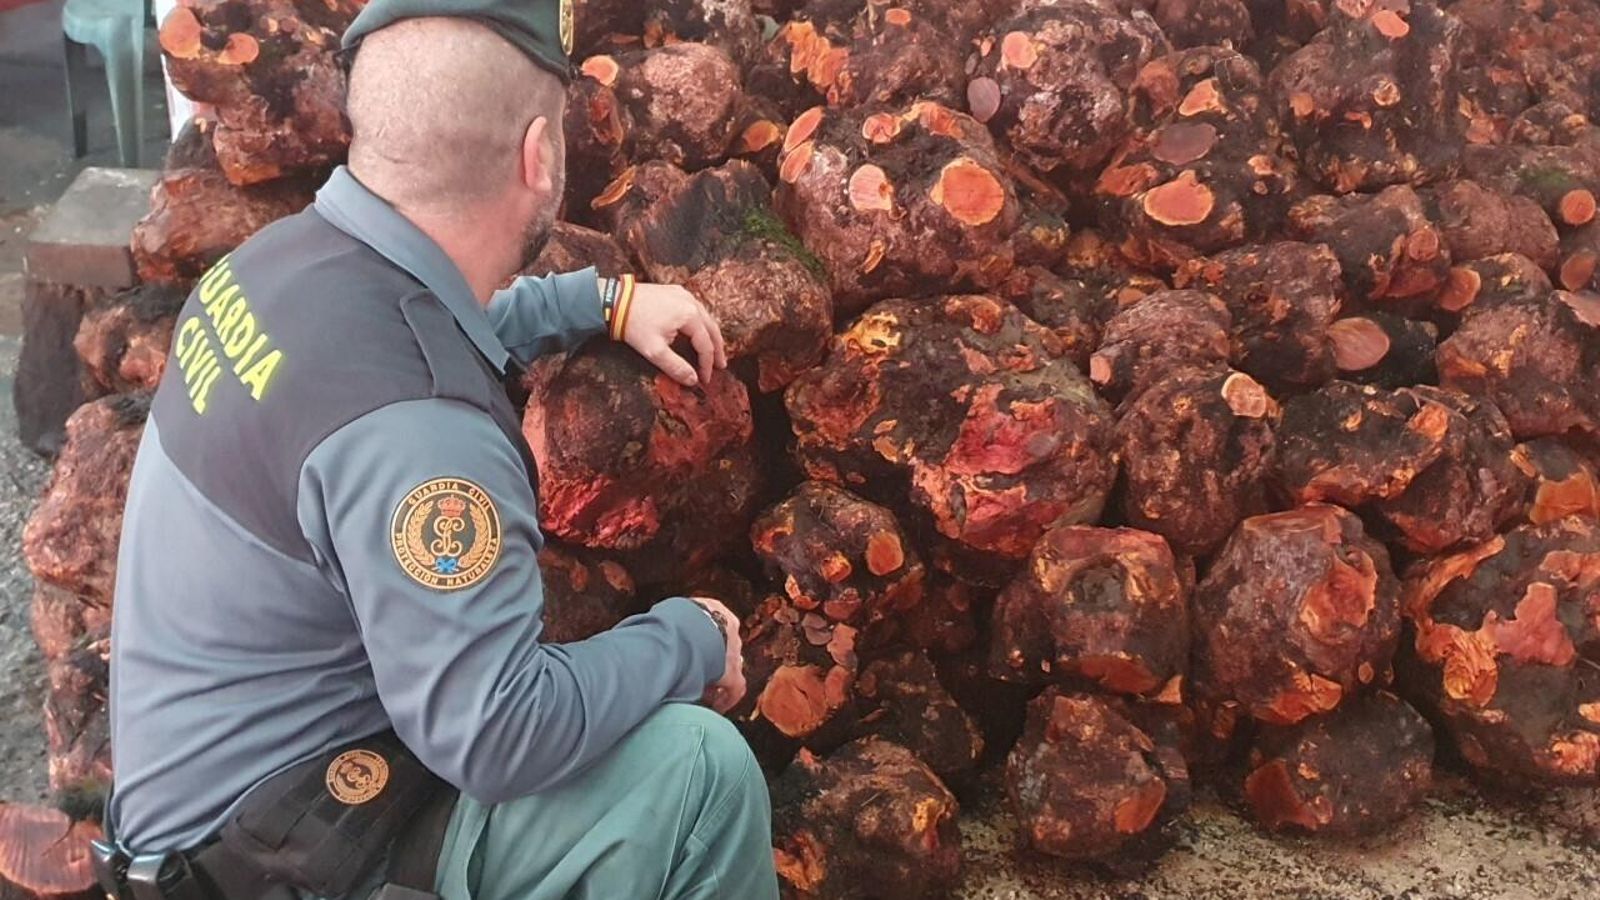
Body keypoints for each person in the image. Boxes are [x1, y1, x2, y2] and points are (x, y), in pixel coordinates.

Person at [101, 0, 779, 897]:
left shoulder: (274, 269)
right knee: (698, 770)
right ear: (538, 156)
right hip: (284, 861)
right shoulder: (423, 436)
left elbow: (433, 324)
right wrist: (690, 637)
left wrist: (601, 301)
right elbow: (500, 734)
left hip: (216, 823)